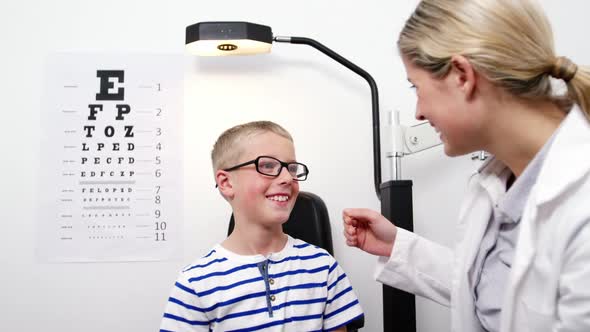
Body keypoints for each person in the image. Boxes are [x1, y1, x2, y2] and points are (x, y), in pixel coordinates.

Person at [343, 0, 590, 331]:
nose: (417, 112)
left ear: (462, 75)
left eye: (417, 87)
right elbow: (498, 290)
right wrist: (398, 247)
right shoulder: (498, 180)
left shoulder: (580, 202)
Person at [161, 121, 364, 331]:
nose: (287, 178)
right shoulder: (195, 283)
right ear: (226, 183)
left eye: (292, 168)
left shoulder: (323, 267)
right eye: (268, 165)